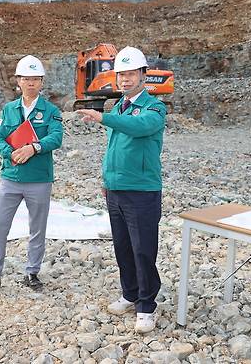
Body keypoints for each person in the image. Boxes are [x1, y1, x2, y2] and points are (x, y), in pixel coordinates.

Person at [77, 46, 166, 334]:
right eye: (121, 75)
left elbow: (137, 127)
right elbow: (114, 148)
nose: (125, 80)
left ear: (143, 75)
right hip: (115, 190)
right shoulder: (119, 107)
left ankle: (146, 305)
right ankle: (129, 294)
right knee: (123, 248)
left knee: (143, 250)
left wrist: (103, 117)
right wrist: (107, 180)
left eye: (130, 74)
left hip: (141, 191)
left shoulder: (154, 108)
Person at [0, 55, 64, 297]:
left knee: (37, 228)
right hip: (11, 178)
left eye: (35, 79)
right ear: (19, 81)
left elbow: (56, 138)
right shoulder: (9, 109)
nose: (31, 83)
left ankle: (32, 272)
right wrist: (12, 153)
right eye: (27, 78)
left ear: (41, 82)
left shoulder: (51, 111)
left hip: (39, 179)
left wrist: (34, 148)